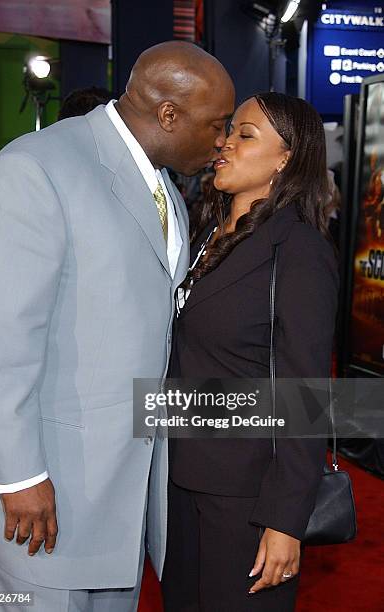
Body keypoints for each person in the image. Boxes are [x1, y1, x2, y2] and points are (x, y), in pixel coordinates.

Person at [0, 41, 235, 612]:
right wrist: (18, 476)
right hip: (43, 494)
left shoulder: (168, 193)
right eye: (216, 126)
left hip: (121, 497)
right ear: (168, 114)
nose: (222, 141)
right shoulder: (34, 169)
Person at [162, 92, 338, 611]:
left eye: (245, 134)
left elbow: (306, 393)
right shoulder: (206, 234)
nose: (224, 143)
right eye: (228, 130)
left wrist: (285, 521)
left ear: (286, 158)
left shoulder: (299, 250)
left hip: (247, 498)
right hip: (180, 481)